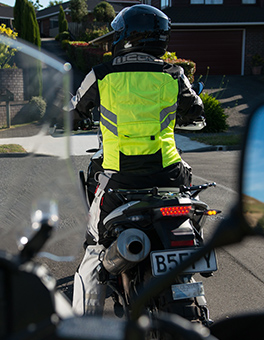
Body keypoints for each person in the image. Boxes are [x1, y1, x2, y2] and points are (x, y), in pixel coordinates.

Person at [71, 4, 204, 316]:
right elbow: (197, 118)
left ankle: (83, 321)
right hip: (170, 177)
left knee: (95, 244)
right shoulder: (174, 74)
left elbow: (71, 112)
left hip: (119, 179)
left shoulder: (101, 74)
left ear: (126, 37)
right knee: (187, 202)